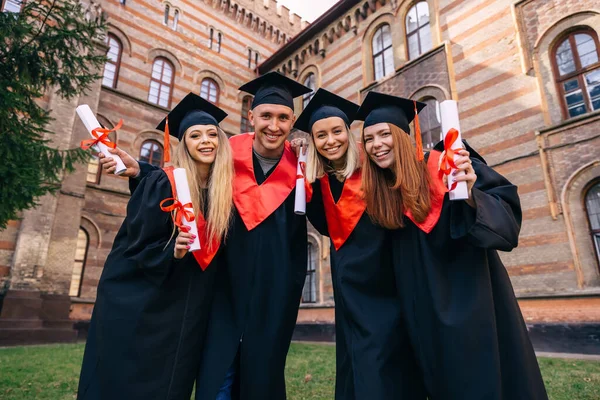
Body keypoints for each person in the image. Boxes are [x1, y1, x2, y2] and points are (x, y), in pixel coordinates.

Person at [100, 72, 312, 400]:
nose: (273, 125)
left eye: (283, 117)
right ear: (251, 117)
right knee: (218, 373)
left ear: (292, 121)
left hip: (272, 290)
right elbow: (188, 176)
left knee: (263, 373)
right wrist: (142, 170)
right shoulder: (226, 153)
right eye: (266, 116)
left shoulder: (299, 168)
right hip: (220, 286)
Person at [356, 91, 549, 400]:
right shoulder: (384, 197)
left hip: (476, 310)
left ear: (405, 137)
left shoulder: (449, 166)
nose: (376, 144)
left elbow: (506, 230)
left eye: (384, 134)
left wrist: (471, 193)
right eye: (368, 139)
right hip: (423, 321)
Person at [77, 93, 234, 400]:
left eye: (212, 134)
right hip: (153, 306)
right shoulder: (164, 184)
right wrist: (171, 252)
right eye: (195, 135)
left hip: (191, 309)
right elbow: (135, 246)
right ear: (184, 144)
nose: (205, 141)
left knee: (175, 382)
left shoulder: (223, 192)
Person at [293, 89, 425, 399]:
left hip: (386, 287)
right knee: (354, 363)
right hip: (349, 291)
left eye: (337, 131)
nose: (330, 140)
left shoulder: (375, 170)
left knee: (386, 364)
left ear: (349, 133)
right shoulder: (317, 181)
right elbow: (326, 228)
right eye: (320, 135)